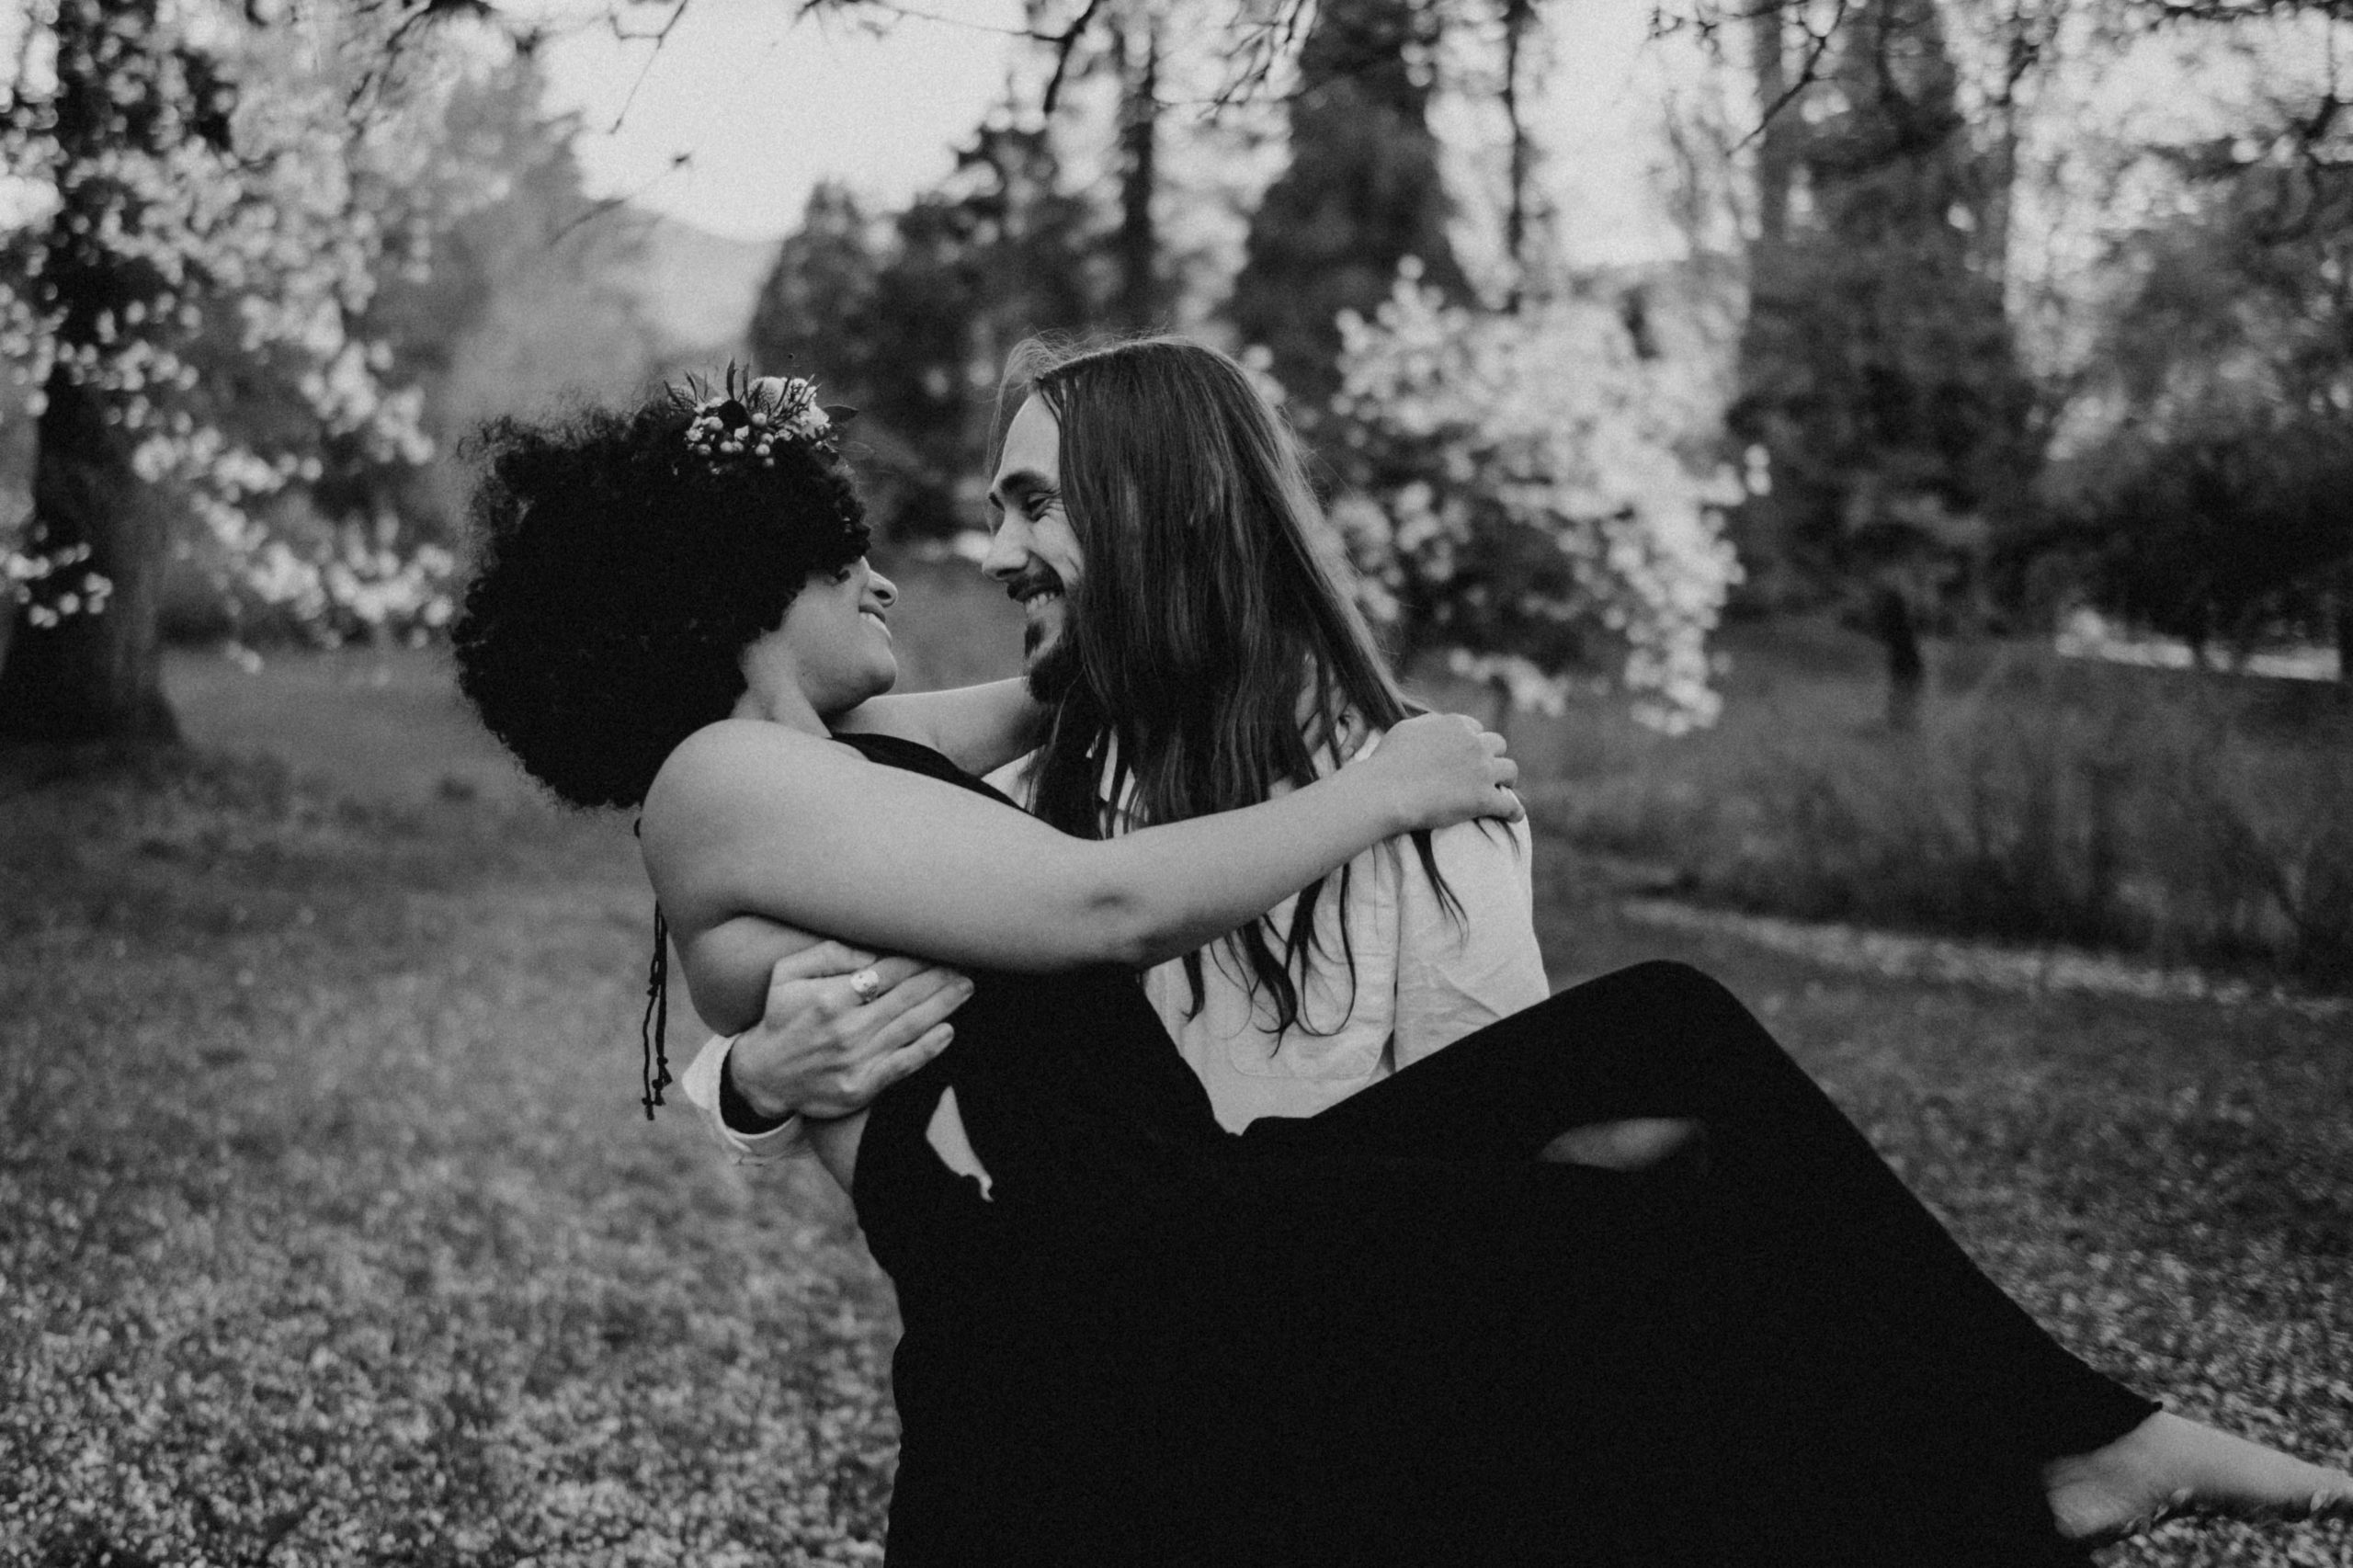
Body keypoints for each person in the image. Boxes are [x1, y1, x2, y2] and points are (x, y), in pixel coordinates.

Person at [453, 365, 2353, 1567]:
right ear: (733, 584)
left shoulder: (844, 761)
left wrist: (1168, 508)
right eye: (839, 552)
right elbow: (1100, 912)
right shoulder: (716, 786)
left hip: (1181, 1192)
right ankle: (2028, 1490)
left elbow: (1077, 662)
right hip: (1091, 1268)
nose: (896, 576)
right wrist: (1387, 784)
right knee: (1631, 1248)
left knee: (1668, 1036)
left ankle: (2083, 1439)